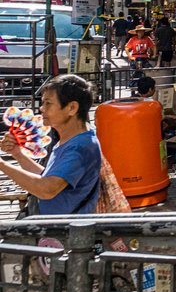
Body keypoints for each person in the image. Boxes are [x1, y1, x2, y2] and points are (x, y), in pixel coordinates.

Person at [0, 75, 102, 215]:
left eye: (48, 103)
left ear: (72, 108)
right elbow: (47, 177)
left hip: (64, 232)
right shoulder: (72, 139)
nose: (42, 108)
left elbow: (47, 189)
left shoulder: (79, 147)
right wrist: (18, 154)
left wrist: (2, 165)